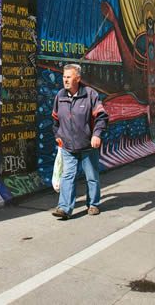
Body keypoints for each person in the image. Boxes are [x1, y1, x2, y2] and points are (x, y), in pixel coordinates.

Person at [51, 63, 108, 220]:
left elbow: (101, 117)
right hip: (68, 146)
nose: (65, 80)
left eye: (68, 77)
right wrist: (57, 135)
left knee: (91, 176)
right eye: (64, 77)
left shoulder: (90, 95)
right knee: (68, 175)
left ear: (78, 78)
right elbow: (55, 119)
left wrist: (96, 134)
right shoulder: (60, 96)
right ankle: (64, 208)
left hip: (88, 146)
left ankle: (93, 204)